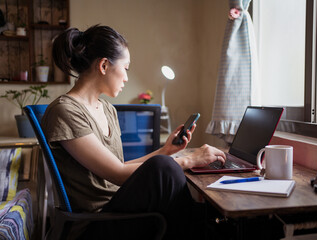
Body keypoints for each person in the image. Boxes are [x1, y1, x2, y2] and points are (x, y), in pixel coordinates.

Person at [43, 24, 226, 239]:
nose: (127, 77)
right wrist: (188, 160)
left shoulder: (107, 109)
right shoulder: (65, 111)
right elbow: (118, 175)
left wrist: (165, 151)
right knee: (169, 175)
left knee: (197, 207)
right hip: (97, 223)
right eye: (126, 68)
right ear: (104, 65)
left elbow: (119, 167)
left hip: (120, 207)